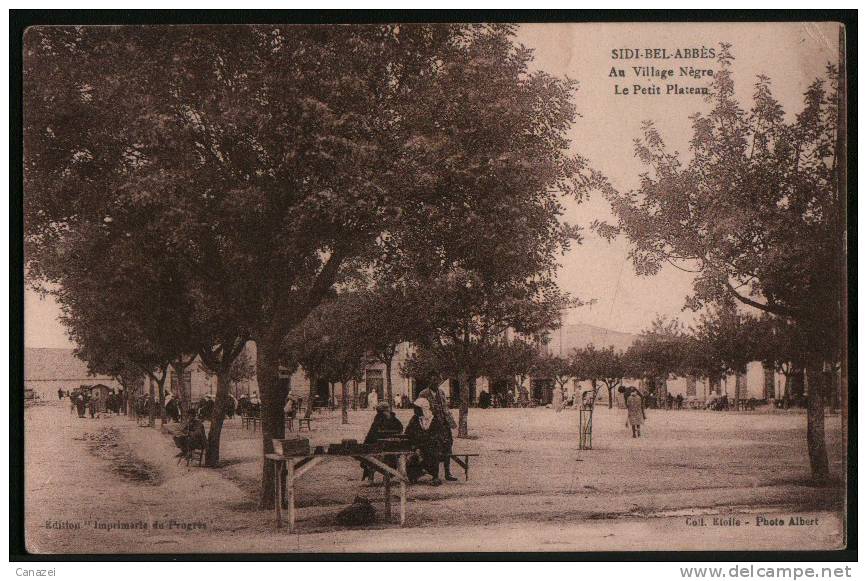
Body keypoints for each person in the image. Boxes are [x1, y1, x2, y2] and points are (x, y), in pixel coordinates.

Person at [418, 382, 457, 482]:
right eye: (433, 380)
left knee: (448, 447)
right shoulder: (423, 394)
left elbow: (446, 408)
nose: (435, 383)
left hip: (444, 425)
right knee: (435, 450)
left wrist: (450, 421)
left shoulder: (441, 392)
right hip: (433, 426)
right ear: (429, 380)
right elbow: (420, 409)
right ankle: (435, 475)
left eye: (437, 380)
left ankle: (448, 473)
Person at [361, 401, 404, 481]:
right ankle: (377, 476)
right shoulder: (390, 419)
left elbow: (371, 434)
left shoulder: (384, 419)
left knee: (377, 456)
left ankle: (377, 477)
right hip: (384, 447)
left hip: (386, 447)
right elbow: (371, 433)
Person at [404, 398, 443, 485]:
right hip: (417, 445)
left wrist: (425, 441)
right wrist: (416, 444)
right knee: (413, 455)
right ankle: (414, 476)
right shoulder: (414, 419)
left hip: (431, 444)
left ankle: (434, 476)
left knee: (432, 452)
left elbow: (438, 434)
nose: (415, 411)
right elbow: (408, 432)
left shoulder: (434, 419)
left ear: (423, 409)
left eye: (417, 408)